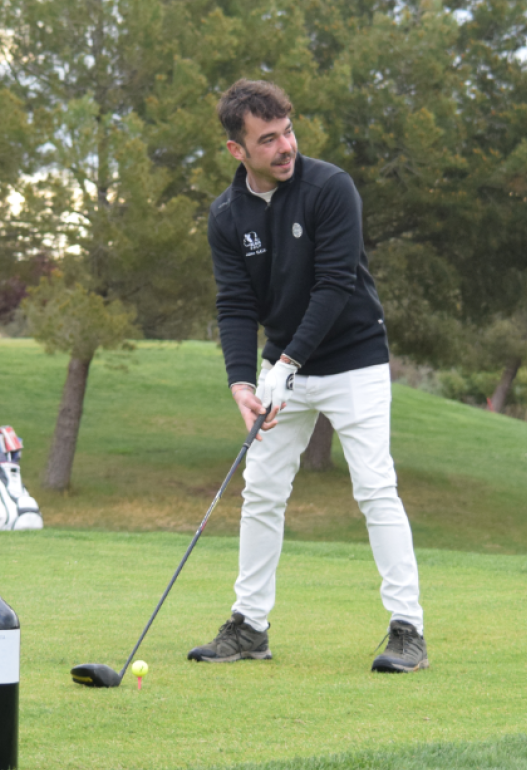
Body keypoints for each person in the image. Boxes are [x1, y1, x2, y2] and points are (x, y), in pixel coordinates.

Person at [188, 79, 428, 673]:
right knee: (262, 492)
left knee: (375, 488)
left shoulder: (330, 188)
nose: (285, 146)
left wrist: (286, 363)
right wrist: (243, 382)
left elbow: (334, 284)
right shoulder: (226, 216)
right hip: (281, 368)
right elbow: (236, 305)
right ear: (236, 150)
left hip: (354, 358)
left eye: (288, 131)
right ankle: (249, 627)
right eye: (267, 139)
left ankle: (408, 630)